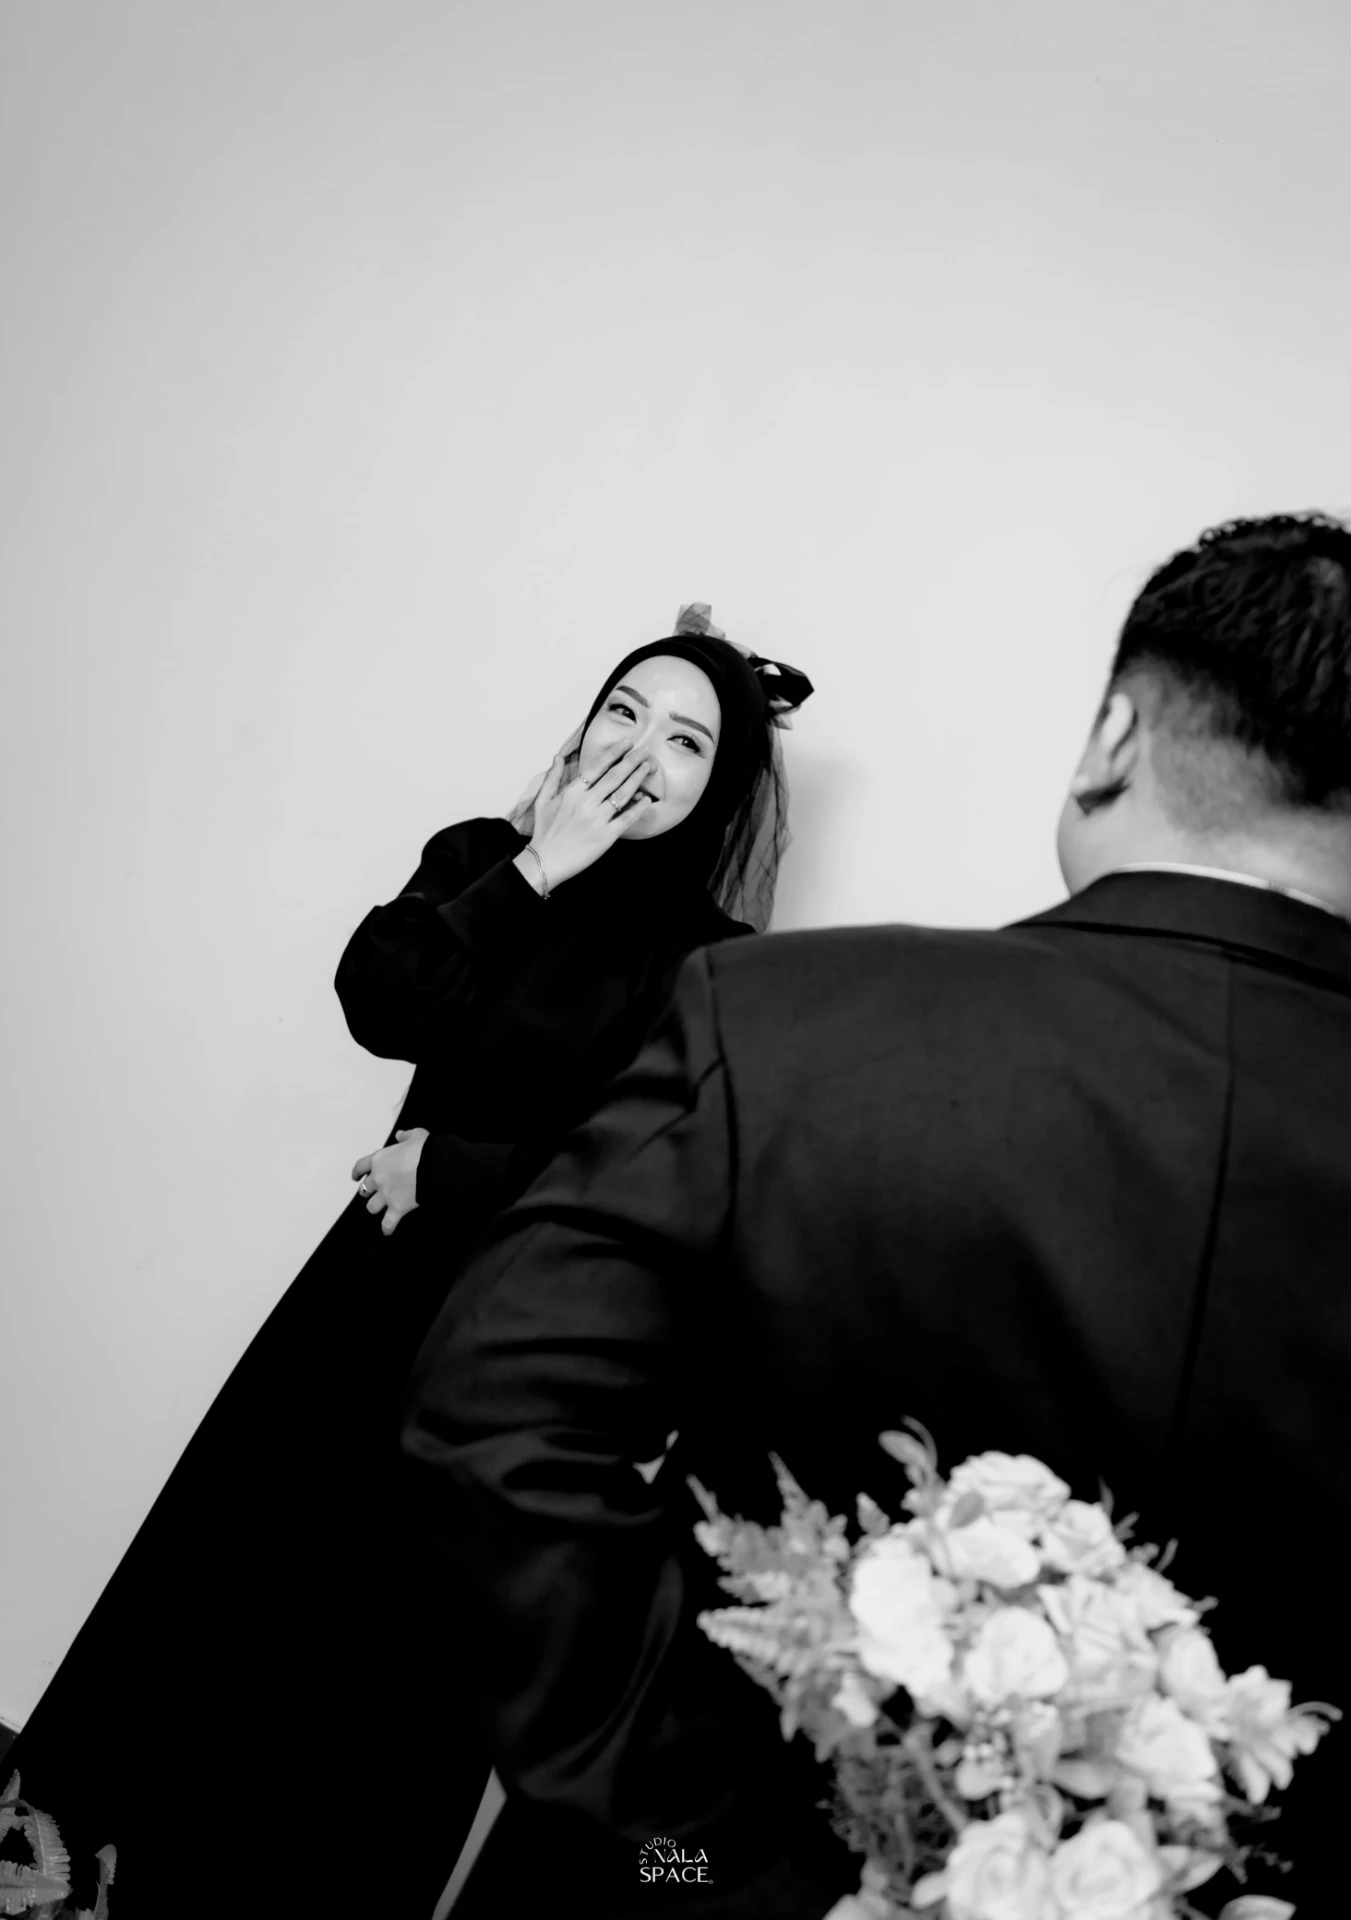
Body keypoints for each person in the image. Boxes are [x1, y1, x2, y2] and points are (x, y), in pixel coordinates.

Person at [404, 515, 1351, 1919]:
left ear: (1110, 741)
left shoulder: (784, 1019)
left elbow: (498, 1419)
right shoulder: (564, 903)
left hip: (681, 1878)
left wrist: (707, 1848)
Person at [4, 607, 813, 1920]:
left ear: (715, 790)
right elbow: (380, 1001)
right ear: (581, 727)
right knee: (241, 1572)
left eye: (684, 740)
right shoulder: (485, 858)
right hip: (369, 1288)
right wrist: (540, 868)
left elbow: (657, 1169)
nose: (638, 750)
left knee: (391, 1649)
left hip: (525, 1349)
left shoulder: (712, 967)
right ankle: (83, 1864)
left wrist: (456, 1172)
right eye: (622, 711)